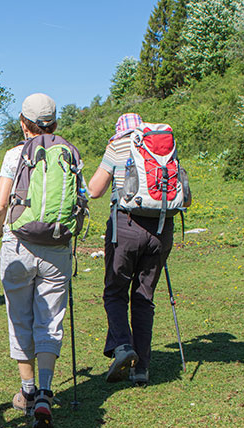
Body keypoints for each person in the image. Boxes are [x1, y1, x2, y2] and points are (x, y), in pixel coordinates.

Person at [0, 93, 74, 428]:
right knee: (51, 319)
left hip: (19, 243)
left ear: (22, 123)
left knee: (19, 316)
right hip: (56, 245)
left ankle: (26, 391)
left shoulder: (14, 155)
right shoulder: (68, 152)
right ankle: (46, 391)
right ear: (55, 123)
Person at [86, 113, 173, 385]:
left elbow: (95, 189)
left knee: (115, 292)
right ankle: (141, 369)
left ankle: (123, 347)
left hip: (126, 225)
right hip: (161, 227)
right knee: (144, 296)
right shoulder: (163, 149)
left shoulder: (118, 145)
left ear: (119, 130)